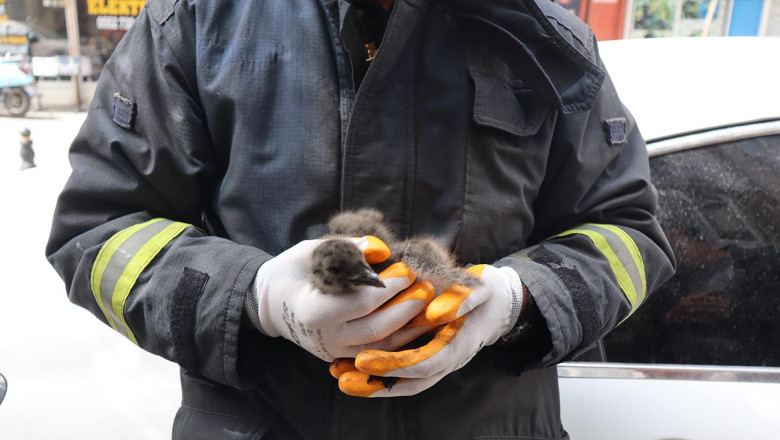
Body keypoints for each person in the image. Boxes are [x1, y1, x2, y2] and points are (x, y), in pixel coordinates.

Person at [46, 0, 676, 438]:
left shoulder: (544, 44)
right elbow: (100, 232)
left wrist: (512, 303)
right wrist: (259, 300)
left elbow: (627, 233)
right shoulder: (194, 22)